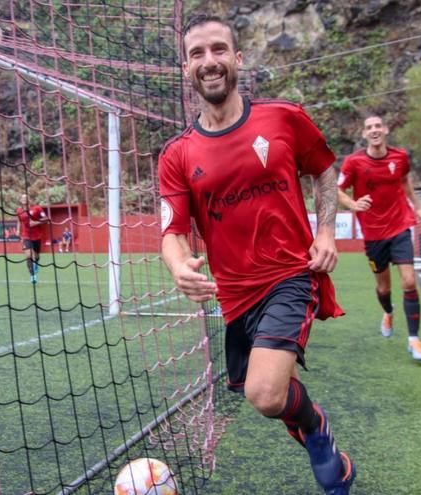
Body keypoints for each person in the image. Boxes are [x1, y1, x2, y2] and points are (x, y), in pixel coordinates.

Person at [158, 15, 354, 495]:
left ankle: (319, 436)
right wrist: (178, 265)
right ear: (186, 68)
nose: (210, 62)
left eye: (219, 50)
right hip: (236, 296)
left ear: (238, 58)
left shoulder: (284, 117)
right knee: (262, 396)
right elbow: (172, 231)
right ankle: (311, 427)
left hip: (291, 274)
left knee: (265, 393)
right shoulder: (177, 154)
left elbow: (325, 170)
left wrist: (326, 232)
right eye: (198, 54)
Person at [337, 114, 421, 362]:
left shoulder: (400, 157)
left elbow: (406, 181)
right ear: (364, 134)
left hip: (400, 226)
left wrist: (417, 206)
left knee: (409, 281)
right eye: (369, 127)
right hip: (374, 234)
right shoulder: (353, 162)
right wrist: (353, 204)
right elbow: (337, 190)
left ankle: (414, 339)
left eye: (378, 126)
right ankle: (388, 312)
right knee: (383, 287)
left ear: (386, 130)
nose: (374, 130)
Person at [16, 193, 49, 283]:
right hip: (26, 235)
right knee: (28, 256)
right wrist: (18, 230)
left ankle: (36, 263)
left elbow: (46, 218)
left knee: (36, 256)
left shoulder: (37, 208)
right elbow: (19, 220)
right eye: (22, 197)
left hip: (37, 236)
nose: (24, 199)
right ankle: (32, 276)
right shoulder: (19, 210)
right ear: (20, 200)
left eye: (26, 197)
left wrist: (36, 222)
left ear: (29, 199)